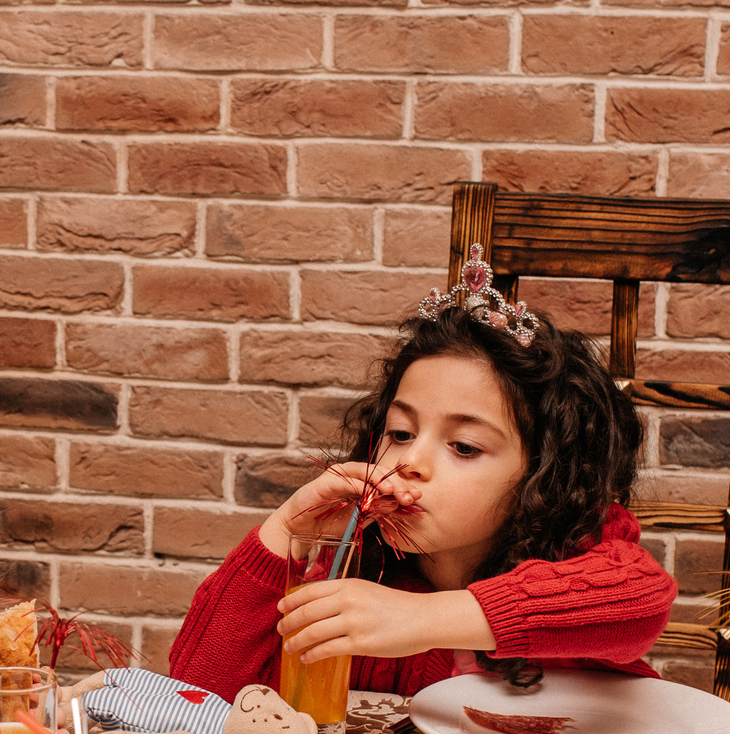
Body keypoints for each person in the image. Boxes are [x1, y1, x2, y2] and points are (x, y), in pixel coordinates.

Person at [167, 248, 676, 701]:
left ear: (542, 475)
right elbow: (199, 696)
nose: (408, 462)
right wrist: (283, 533)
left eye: (464, 446)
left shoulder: (582, 557)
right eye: (401, 433)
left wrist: (418, 620)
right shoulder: (356, 581)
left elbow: (639, 602)